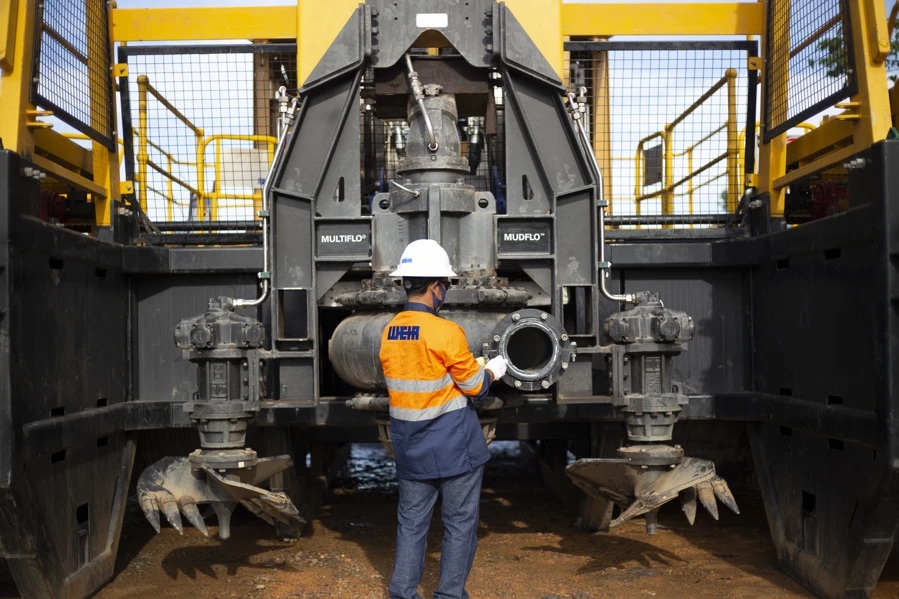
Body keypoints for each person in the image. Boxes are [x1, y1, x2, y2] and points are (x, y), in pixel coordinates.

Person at [379, 239, 508, 599]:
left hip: (411, 447)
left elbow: (420, 378)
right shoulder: (446, 331)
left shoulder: (390, 332)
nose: (446, 292)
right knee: (460, 523)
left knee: (411, 524)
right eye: (446, 285)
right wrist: (492, 370)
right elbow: (474, 387)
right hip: (454, 448)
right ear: (435, 286)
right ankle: (449, 595)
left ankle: (403, 592)